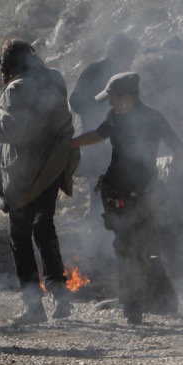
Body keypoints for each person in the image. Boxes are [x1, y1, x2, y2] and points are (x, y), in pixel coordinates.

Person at [0, 38, 75, 325]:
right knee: (45, 228)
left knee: (20, 236)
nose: (2, 74)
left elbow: (12, 131)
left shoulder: (17, 89)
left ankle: (33, 307)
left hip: (26, 174)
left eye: (4, 68)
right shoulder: (54, 79)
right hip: (53, 168)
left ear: (11, 68)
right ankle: (60, 294)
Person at [71, 72, 183, 325]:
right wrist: (71, 144)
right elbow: (99, 134)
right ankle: (130, 302)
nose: (110, 104)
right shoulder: (114, 117)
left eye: (113, 99)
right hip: (116, 192)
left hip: (145, 193)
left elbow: (179, 149)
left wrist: (171, 172)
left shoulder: (153, 118)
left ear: (127, 97)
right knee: (123, 246)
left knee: (140, 249)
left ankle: (136, 304)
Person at [131, 38, 183, 276]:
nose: (144, 84)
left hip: (178, 159)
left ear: (158, 77)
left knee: (178, 205)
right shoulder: (143, 95)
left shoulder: (175, 97)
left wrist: (179, 155)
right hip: (153, 161)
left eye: (147, 79)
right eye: (141, 79)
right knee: (155, 207)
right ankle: (162, 256)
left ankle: (181, 256)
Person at [69, 33, 141, 224]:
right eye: (130, 55)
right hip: (100, 143)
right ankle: (103, 242)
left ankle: (111, 241)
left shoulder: (120, 74)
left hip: (116, 146)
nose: (131, 60)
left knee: (105, 192)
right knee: (103, 190)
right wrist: (96, 111)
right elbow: (75, 101)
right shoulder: (100, 72)